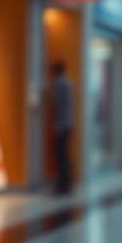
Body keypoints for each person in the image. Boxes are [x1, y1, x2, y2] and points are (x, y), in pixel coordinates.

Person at [50, 60, 75, 195]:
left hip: (62, 124)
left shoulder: (60, 83)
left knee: (61, 155)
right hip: (68, 123)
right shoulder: (69, 82)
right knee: (64, 154)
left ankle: (63, 185)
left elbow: (56, 102)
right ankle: (67, 183)